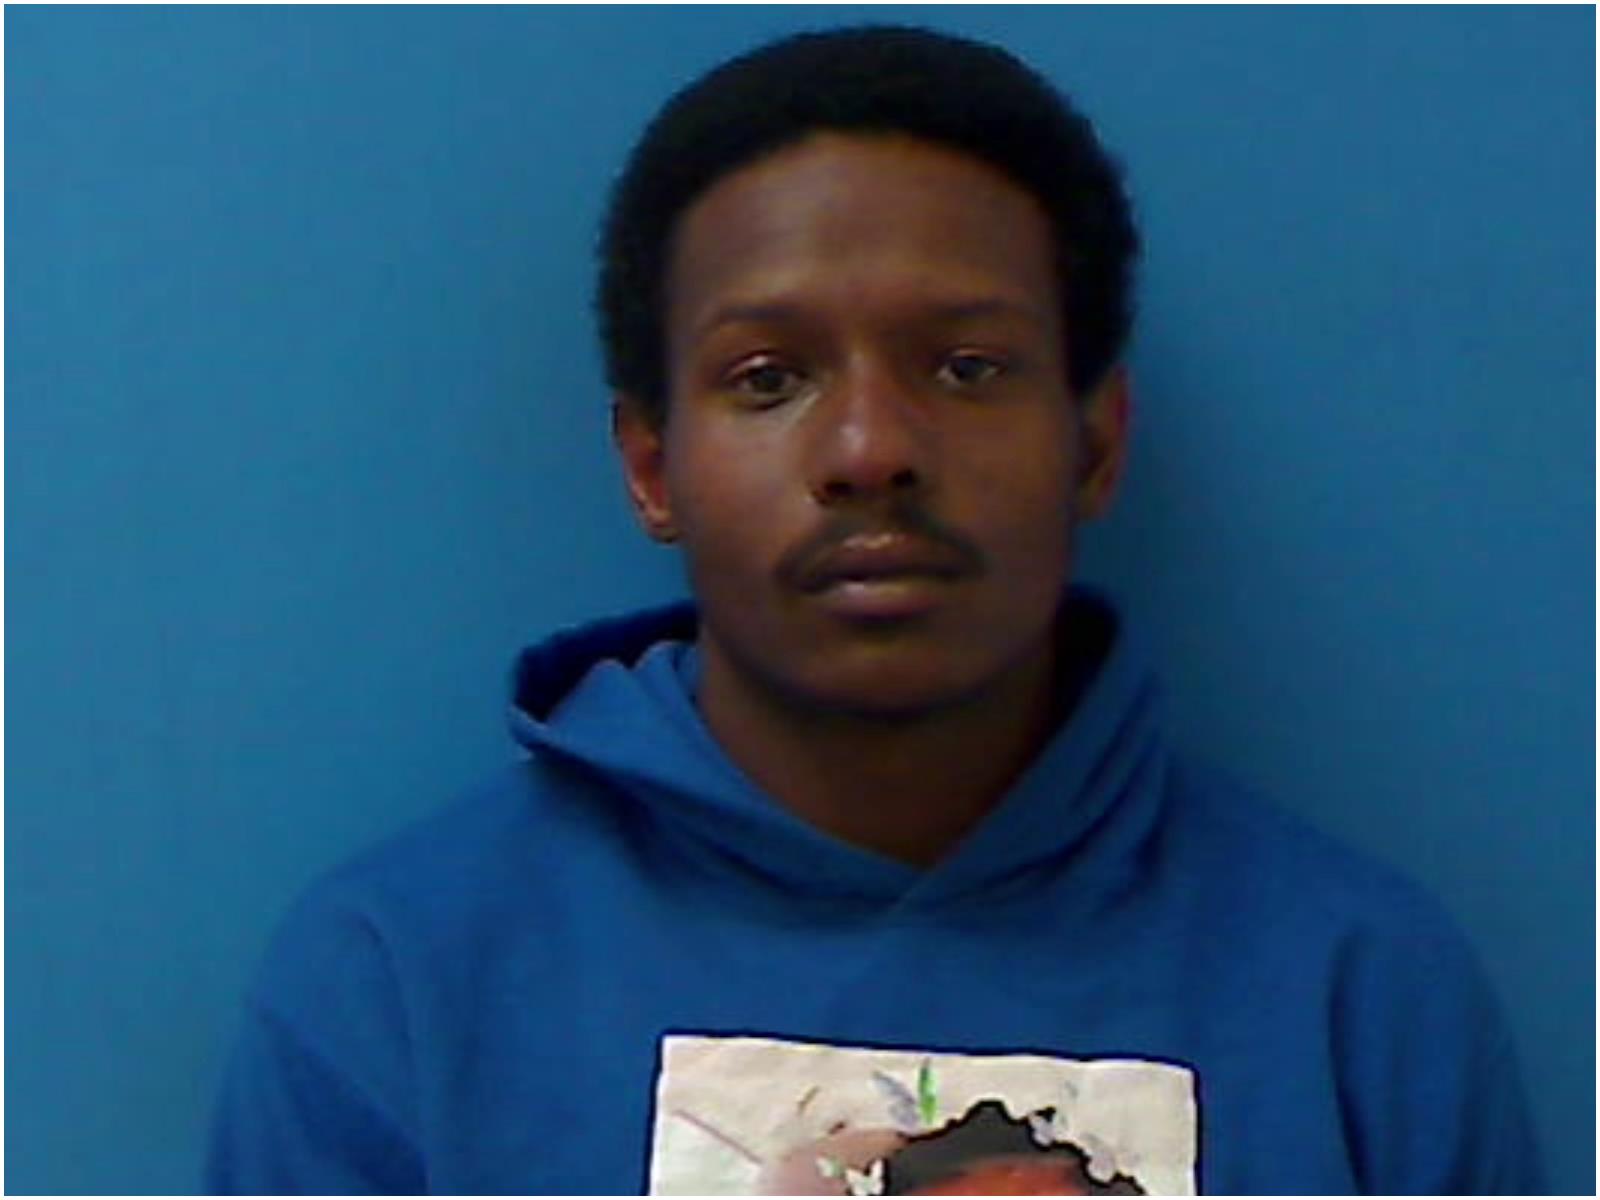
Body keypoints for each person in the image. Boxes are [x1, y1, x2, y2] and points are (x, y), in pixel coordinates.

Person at [206, 26, 1543, 1195]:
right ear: (653, 466)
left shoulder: (1361, 998)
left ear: (1093, 444)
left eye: (966, 366)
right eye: (768, 376)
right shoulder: (397, 985)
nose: (869, 448)